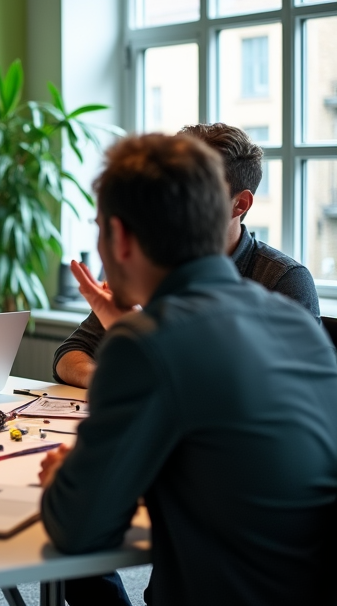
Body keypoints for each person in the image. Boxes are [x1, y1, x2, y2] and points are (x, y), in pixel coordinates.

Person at [39, 133, 337, 606]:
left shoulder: (150, 342)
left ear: (118, 235)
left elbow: (78, 530)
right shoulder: (295, 326)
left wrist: (63, 482)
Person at [54, 122, 320, 389]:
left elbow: (263, 392)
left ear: (240, 204)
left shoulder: (282, 280)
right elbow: (71, 353)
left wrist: (137, 338)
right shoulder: (155, 267)